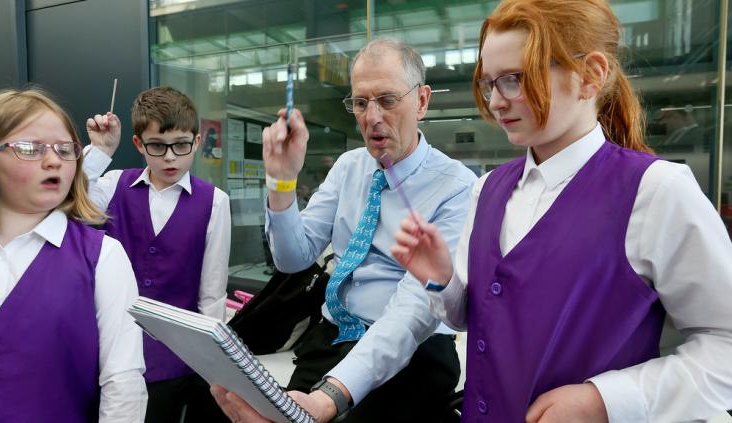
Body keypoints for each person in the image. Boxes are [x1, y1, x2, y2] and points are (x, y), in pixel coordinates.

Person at [391, 1, 732, 422]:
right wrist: (441, 279)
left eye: (514, 80)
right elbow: (477, 321)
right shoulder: (488, 190)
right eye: (489, 83)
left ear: (591, 75)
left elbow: (724, 344)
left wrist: (607, 401)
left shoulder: (655, 190)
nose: (497, 102)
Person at [211, 38, 478, 422]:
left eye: (387, 100)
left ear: (421, 101)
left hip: (413, 351)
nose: (371, 117)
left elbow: (412, 313)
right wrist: (282, 182)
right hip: (332, 338)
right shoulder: (349, 166)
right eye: (360, 102)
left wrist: (328, 398)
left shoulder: (455, 187)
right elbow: (292, 259)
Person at [0, 89, 147, 422]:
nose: (54, 160)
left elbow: (123, 384)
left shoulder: (102, 257)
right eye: (29, 148)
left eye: (66, 149)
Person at [84, 86, 232, 423]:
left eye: (181, 145)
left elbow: (212, 294)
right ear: (138, 144)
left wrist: (212, 368)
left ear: (197, 141)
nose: (169, 157)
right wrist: (100, 151)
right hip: (109, 349)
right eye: (157, 146)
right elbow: (63, 201)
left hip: (174, 362)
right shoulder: (112, 185)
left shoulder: (215, 201)